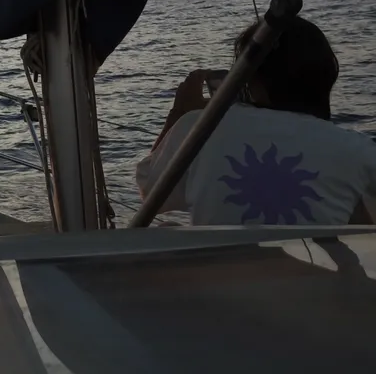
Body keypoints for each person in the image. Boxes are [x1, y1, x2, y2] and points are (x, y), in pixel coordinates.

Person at [136, 16, 376, 225]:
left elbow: (151, 193)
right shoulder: (359, 150)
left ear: (249, 78)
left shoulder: (198, 128)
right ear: (327, 76)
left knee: (167, 228)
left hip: (223, 274)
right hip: (312, 276)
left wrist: (179, 114)